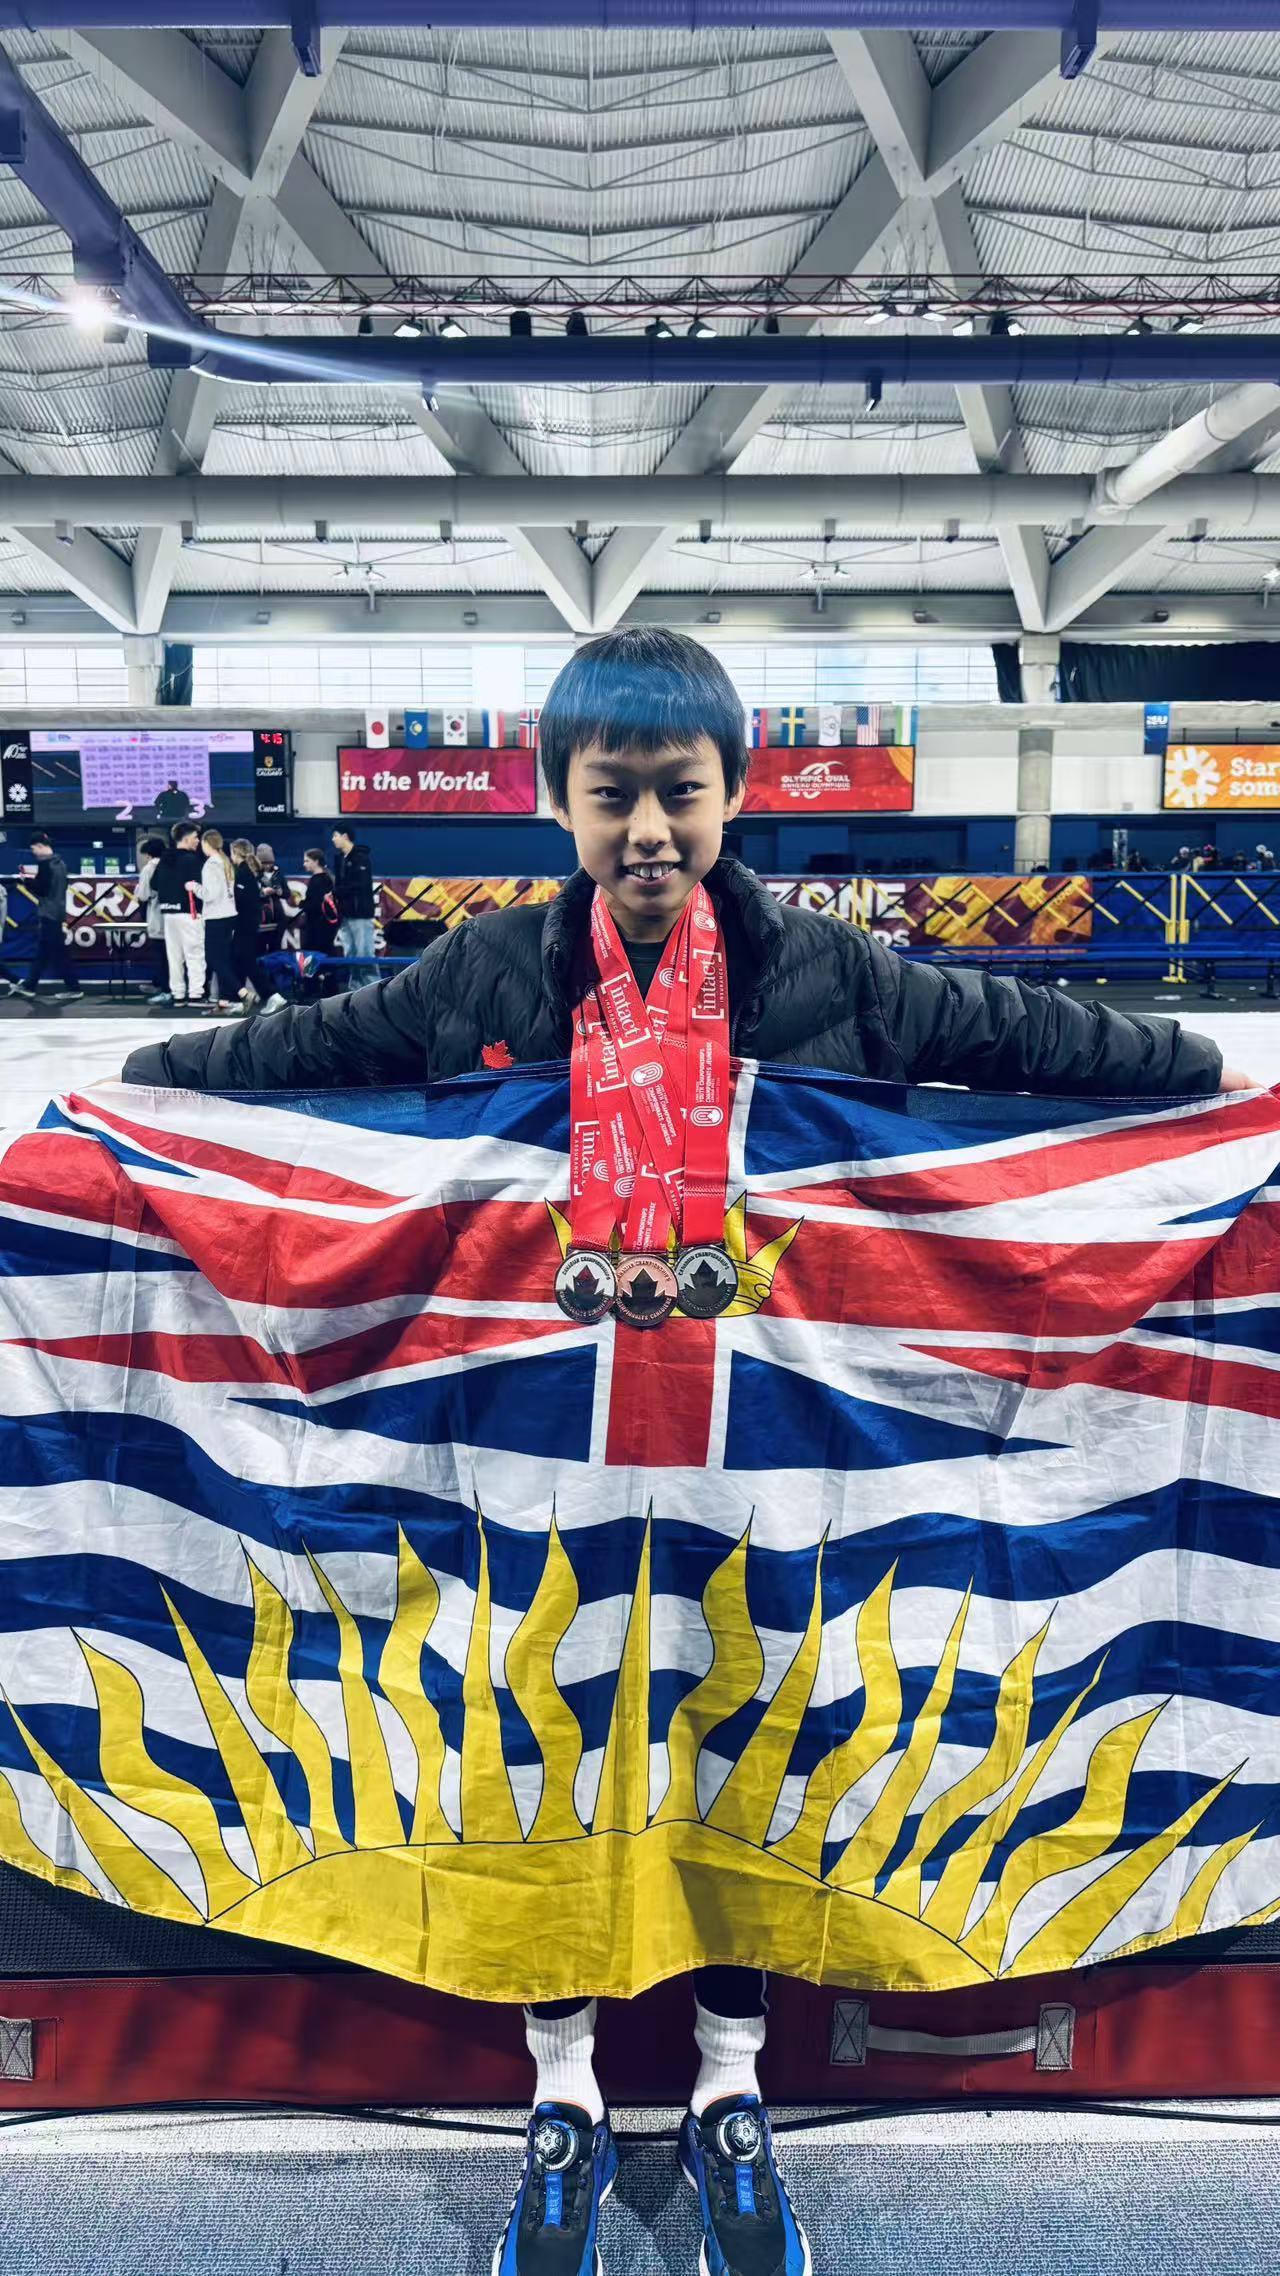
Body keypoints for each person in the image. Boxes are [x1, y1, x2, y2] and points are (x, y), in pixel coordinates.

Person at [121, 628, 1258, 2276]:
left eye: (681, 793)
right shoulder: (494, 974)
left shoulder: (824, 975)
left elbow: (1017, 1032)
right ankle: (563, 2087)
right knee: (538, 1744)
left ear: (736, 793)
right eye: (615, 797)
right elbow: (314, 1052)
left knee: (753, 1747)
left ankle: (732, 2082)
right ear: (558, 804)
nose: (650, 830)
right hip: (540, 1475)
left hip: (762, 1473)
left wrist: (1201, 1081)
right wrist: (139, 1101)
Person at [13, 831, 83, 1002]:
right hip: (58, 911)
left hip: (48, 913)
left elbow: (42, 890)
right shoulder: (61, 863)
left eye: (33, 849)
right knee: (44, 952)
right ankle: (29, 986)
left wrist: (26, 881)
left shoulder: (45, 865)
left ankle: (74, 988)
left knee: (58, 953)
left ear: (40, 846)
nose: (33, 852)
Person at [151, 822, 205, 1008]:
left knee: (174, 957)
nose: (198, 841)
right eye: (196, 837)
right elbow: (202, 886)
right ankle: (196, 995)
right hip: (189, 913)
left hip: (168, 914)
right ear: (187, 838)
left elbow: (153, 885)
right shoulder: (192, 860)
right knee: (194, 955)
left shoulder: (164, 859)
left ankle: (178, 995)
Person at [331, 823, 377, 983]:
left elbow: (360, 884)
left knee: (364, 953)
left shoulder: (361, 858)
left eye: (335, 835)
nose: (333, 839)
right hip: (345, 914)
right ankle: (355, 988)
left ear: (345, 836)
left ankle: (373, 987)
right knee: (350, 954)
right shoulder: (340, 860)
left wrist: (337, 892)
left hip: (360, 914)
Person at [200, 828, 238, 1014]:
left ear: (206, 843)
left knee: (214, 958)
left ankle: (241, 991)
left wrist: (195, 888)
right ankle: (225, 1000)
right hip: (228, 915)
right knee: (223, 959)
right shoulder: (225, 862)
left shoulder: (211, 864)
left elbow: (210, 895)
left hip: (216, 917)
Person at [228, 838, 267, 1013]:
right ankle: (239, 998)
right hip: (248, 921)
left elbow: (243, 899)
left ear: (236, 852)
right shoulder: (249, 871)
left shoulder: (243, 872)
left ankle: (270, 994)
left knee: (246, 960)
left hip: (245, 922)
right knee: (239, 959)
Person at [133, 835, 170, 1002]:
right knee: (172, 957)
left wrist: (137, 891)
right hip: (173, 917)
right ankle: (166, 987)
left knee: (160, 956)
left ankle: (164, 989)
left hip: (156, 916)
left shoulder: (149, 869)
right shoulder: (171, 864)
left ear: (148, 854)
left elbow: (143, 894)